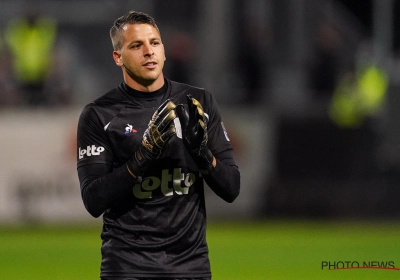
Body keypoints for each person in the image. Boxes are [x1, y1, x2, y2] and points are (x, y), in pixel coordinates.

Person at [77, 10, 240, 280]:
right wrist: (141, 159)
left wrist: (202, 155)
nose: (149, 51)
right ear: (118, 57)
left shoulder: (199, 102)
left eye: (154, 43)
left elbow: (232, 187)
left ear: (164, 51)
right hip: (127, 266)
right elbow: (93, 200)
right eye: (136, 45)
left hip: (191, 267)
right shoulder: (100, 114)